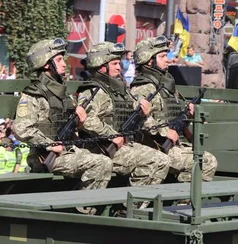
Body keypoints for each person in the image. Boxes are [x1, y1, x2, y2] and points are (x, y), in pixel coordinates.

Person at [13, 38, 112, 214]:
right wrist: (48, 144)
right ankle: (82, 212)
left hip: (67, 151)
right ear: (45, 64)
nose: (64, 64)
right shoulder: (35, 95)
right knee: (101, 163)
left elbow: (70, 126)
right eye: (59, 60)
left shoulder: (63, 94)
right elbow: (21, 128)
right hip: (45, 157)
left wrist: (79, 123)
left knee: (106, 160)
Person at [77, 42, 170, 192]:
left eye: (119, 63)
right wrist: (111, 135)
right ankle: (132, 206)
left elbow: (132, 111)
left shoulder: (120, 90)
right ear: (101, 66)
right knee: (156, 160)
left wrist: (143, 113)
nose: (119, 67)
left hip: (123, 145)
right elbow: (87, 119)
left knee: (161, 159)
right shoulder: (93, 90)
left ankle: (134, 206)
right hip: (100, 148)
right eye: (114, 64)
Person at [130, 36, 218, 183]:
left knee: (206, 158)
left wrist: (188, 113)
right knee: (207, 161)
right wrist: (165, 132)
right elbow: (138, 120)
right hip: (153, 146)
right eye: (162, 56)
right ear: (149, 61)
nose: (167, 59)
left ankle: (183, 201)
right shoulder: (143, 87)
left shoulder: (166, 86)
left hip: (171, 145)